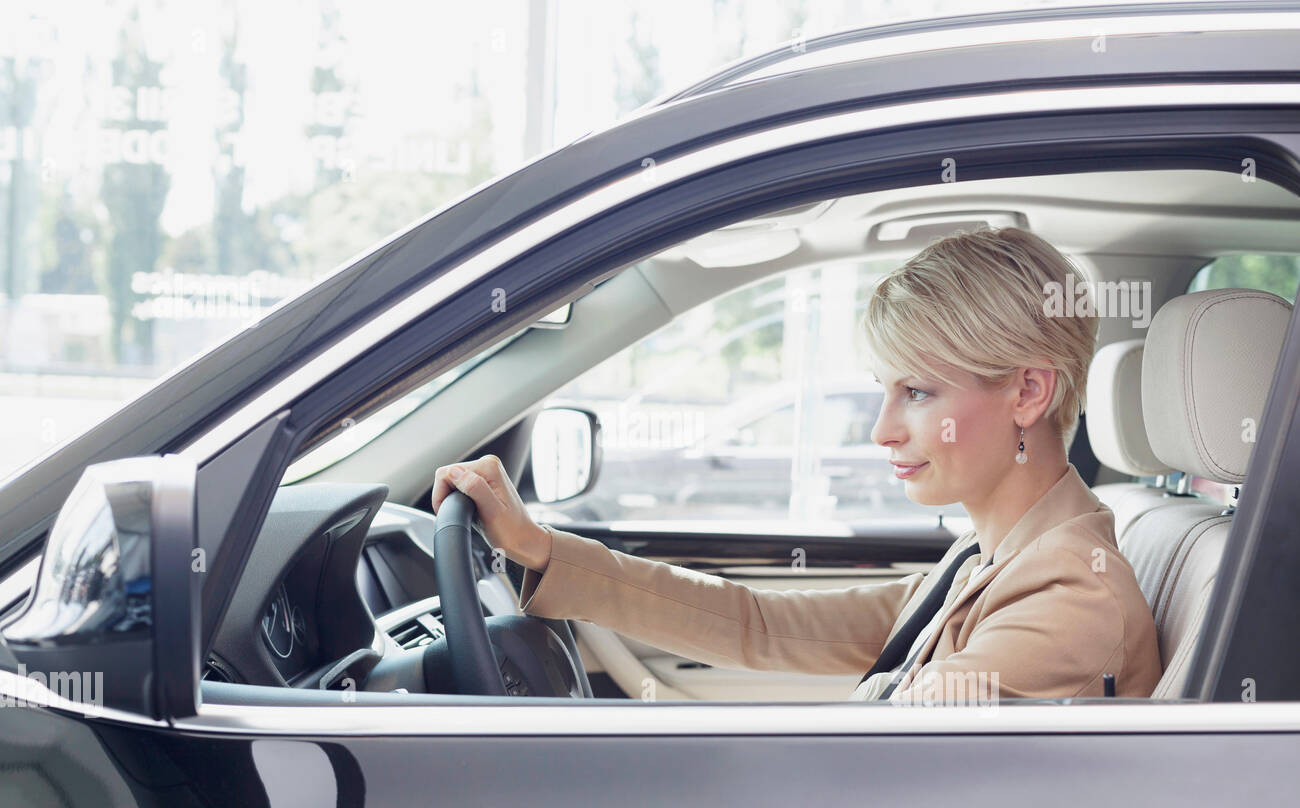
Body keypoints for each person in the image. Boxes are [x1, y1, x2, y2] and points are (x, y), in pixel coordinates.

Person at [431, 226, 1162, 704]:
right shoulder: (990, 559)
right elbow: (762, 624)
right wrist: (545, 552)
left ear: (1029, 392)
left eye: (915, 392)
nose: (881, 430)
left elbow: (863, 769)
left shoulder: (1066, 601)